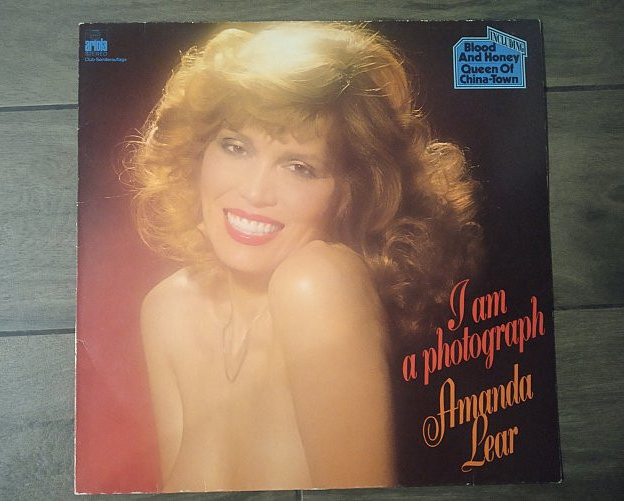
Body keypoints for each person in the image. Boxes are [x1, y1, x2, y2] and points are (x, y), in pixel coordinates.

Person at [127, 22, 480, 492]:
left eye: (300, 167)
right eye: (236, 146)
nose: (254, 192)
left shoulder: (316, 284)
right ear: (198, 153)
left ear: (351, 194)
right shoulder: (169, 308)